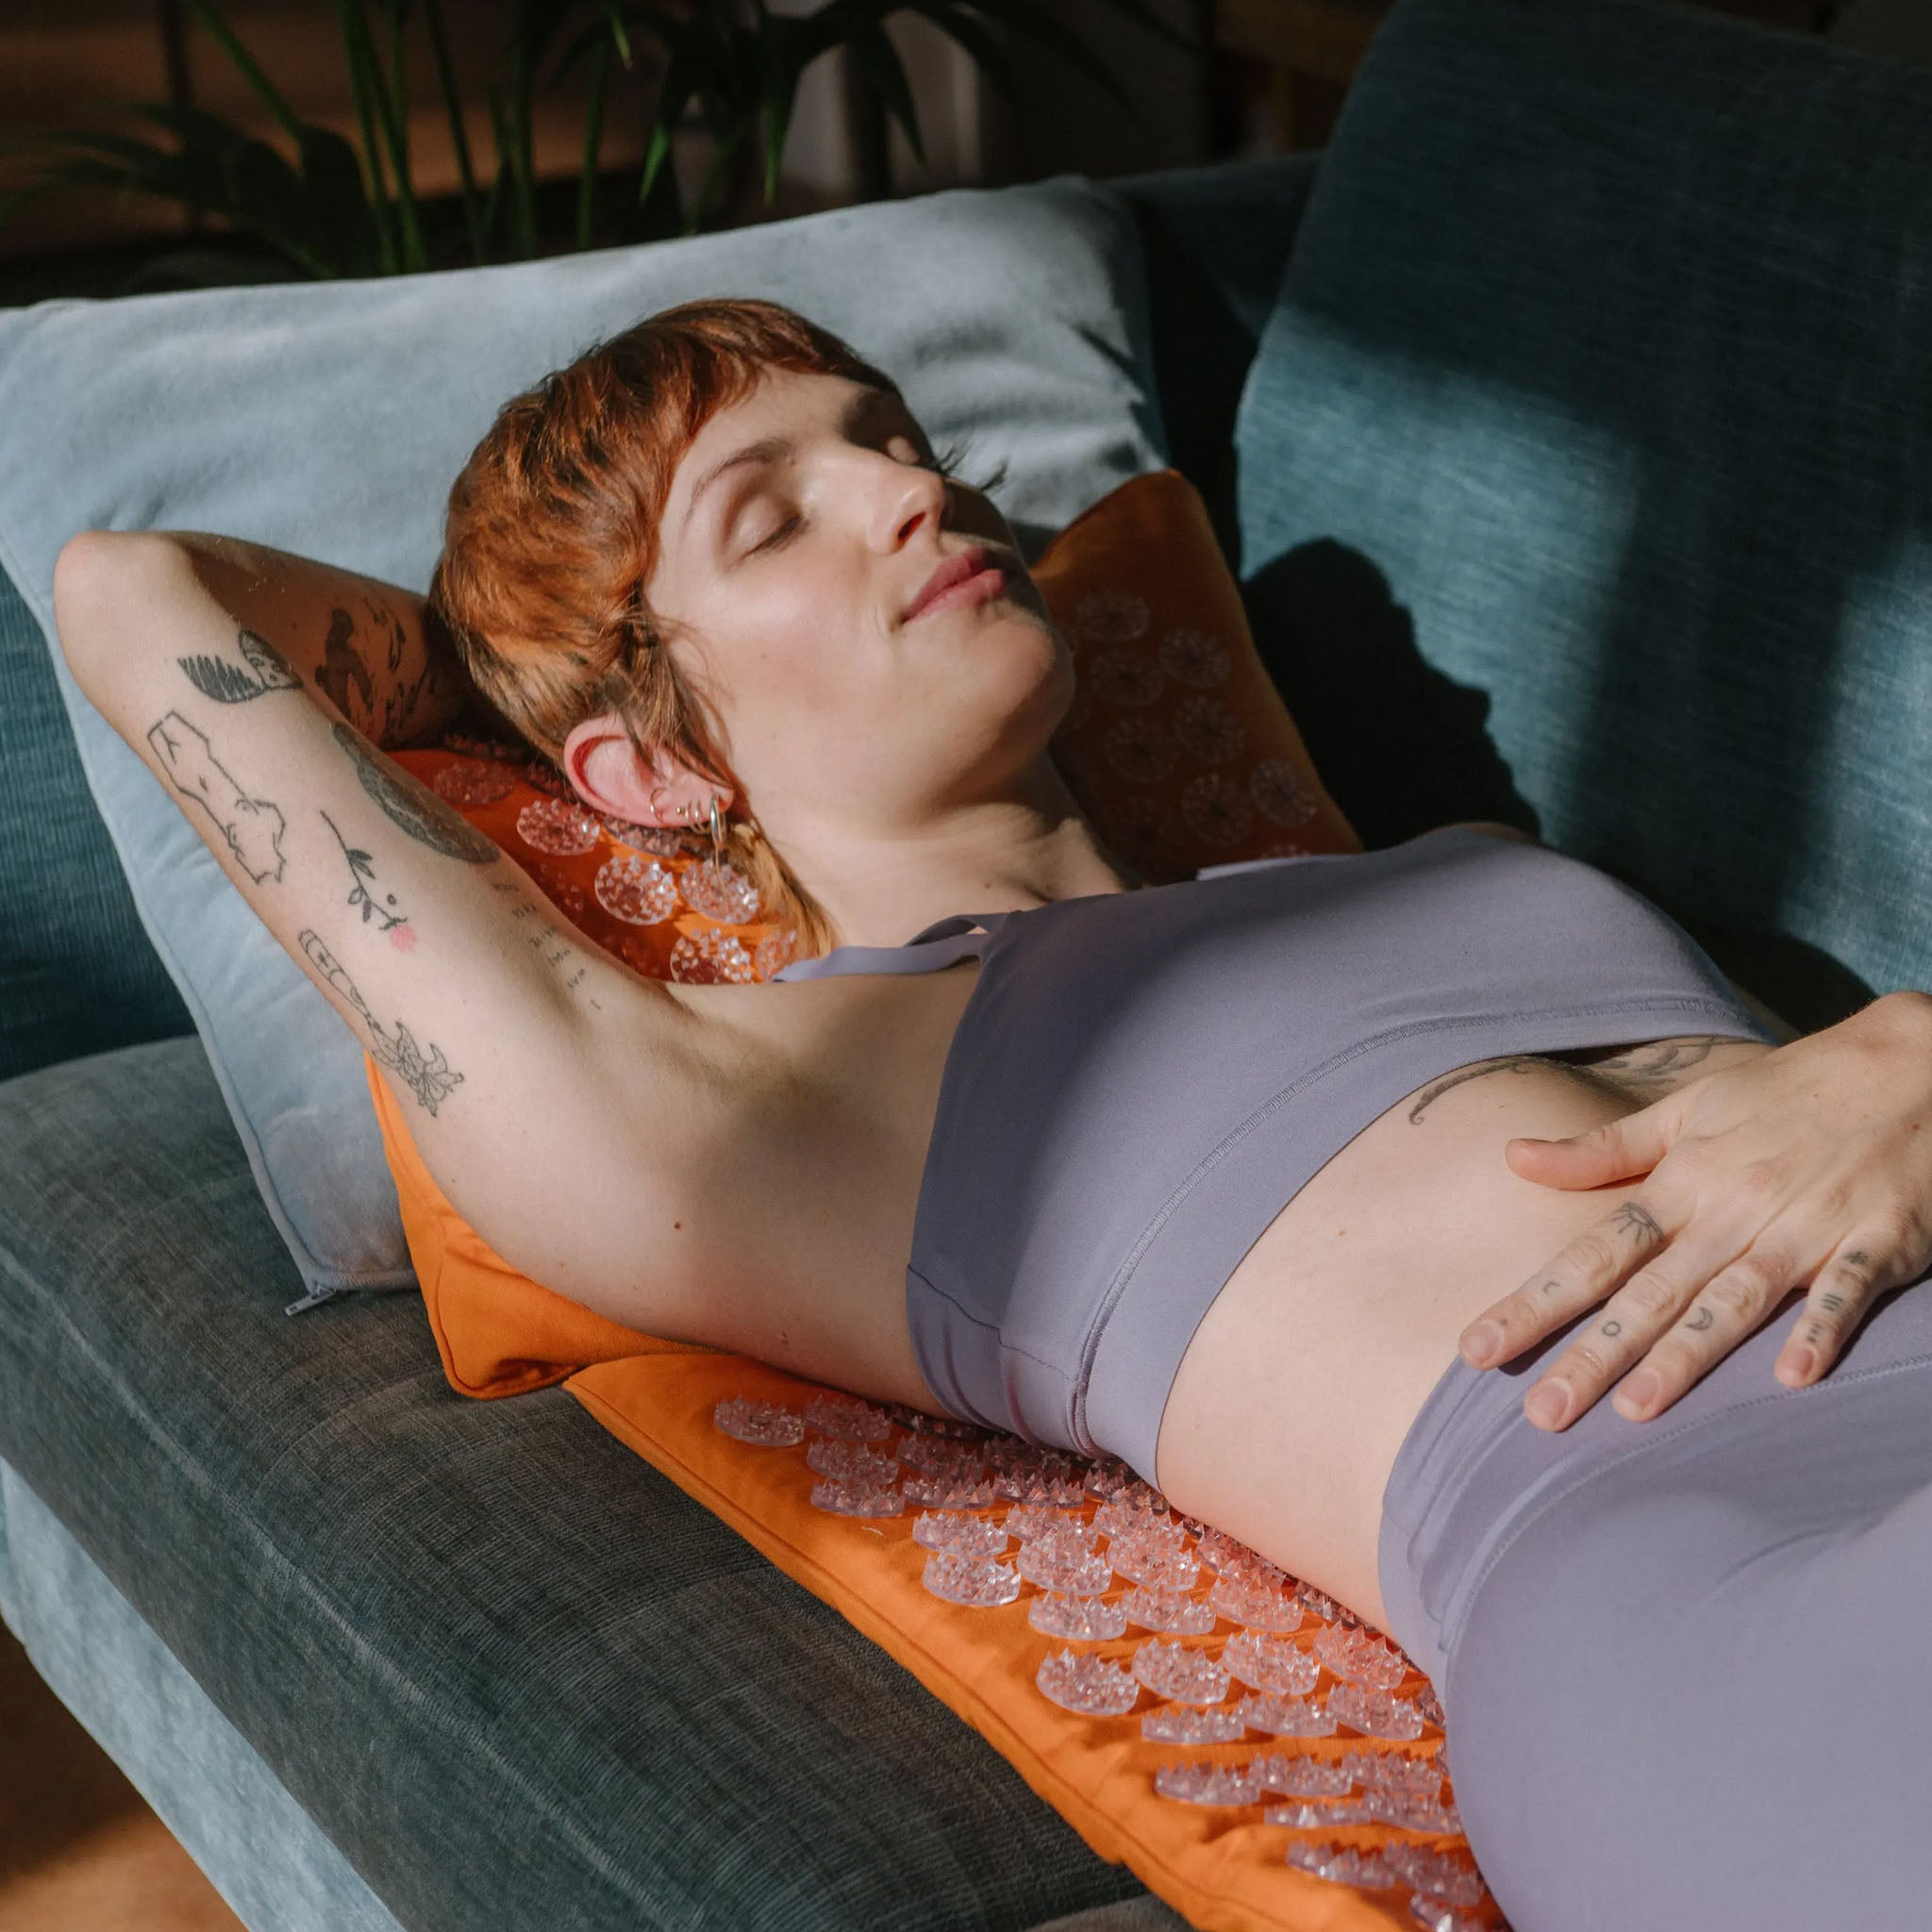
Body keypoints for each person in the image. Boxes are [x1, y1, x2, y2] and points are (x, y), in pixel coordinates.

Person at [55, 298, 1932, 1932]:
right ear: (645, 767)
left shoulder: (1450, 857)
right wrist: (532, 663)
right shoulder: (753, 1112)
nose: (909, 492)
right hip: (1706, 1572)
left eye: (893, 439)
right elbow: (129, 593)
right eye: (774, 516)